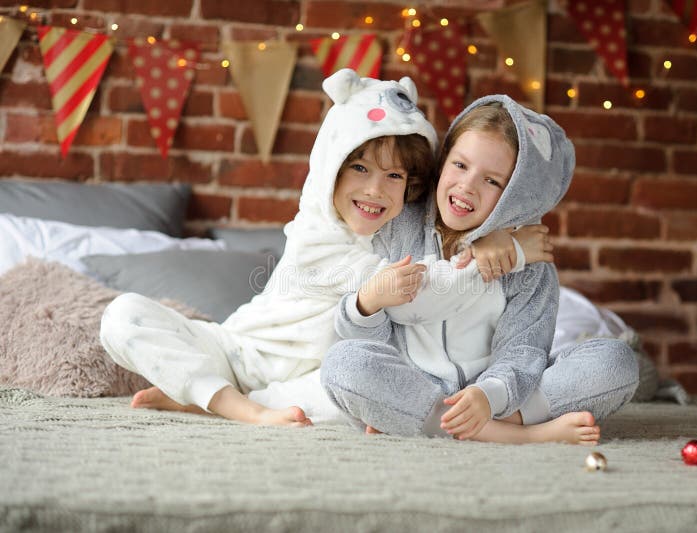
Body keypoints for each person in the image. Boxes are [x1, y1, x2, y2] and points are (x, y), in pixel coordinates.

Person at [100, 69, 550, 426]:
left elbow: (452, 227)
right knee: (123, 315)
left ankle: (205, 398)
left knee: (354, 388)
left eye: (394, 176)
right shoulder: (317, 233)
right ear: (329, 165)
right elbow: (423, 291)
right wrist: (513, 251)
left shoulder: (399, 230)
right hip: (237, 351)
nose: (375, 190)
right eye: (358, 167)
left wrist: (493, 235)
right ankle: (238, 406)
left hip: (305, 381)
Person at [321, 96, 640, 445]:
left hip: (500, 396)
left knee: (615, 361)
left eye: (492, 181)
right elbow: (372, 339)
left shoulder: (529, 266)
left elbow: (524, 350)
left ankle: (450, 423)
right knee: (343, 363)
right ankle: (521, 435)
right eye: (460, 165)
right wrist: (365, 305)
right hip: (419, 391)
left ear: (515, 196)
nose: (467, 186)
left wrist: (488, 396)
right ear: (443, 163)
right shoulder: (398, 226)